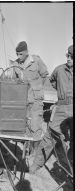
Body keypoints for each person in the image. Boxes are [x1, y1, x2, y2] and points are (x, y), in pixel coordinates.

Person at [29, 45, 73, 173]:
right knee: (49, 137)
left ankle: (69, 167)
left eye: (72, 57)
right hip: (61, 107)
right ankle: (36, 164)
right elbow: (53, 81)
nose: (69, 59)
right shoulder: (59, 70)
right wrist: (62, 94)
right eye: (68, 56)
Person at [11, 41, 49, 159]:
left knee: (35, 125)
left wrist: (37, 88)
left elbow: (44, 75)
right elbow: (14, 80)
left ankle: (35, 153)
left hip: (36, 99)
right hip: (23, 100)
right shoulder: (16, 64)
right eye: (17, 54)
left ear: (26, 52)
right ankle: (26, 150)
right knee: (25, 124)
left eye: (20, 54)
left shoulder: (36, 60)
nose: (18, 57)